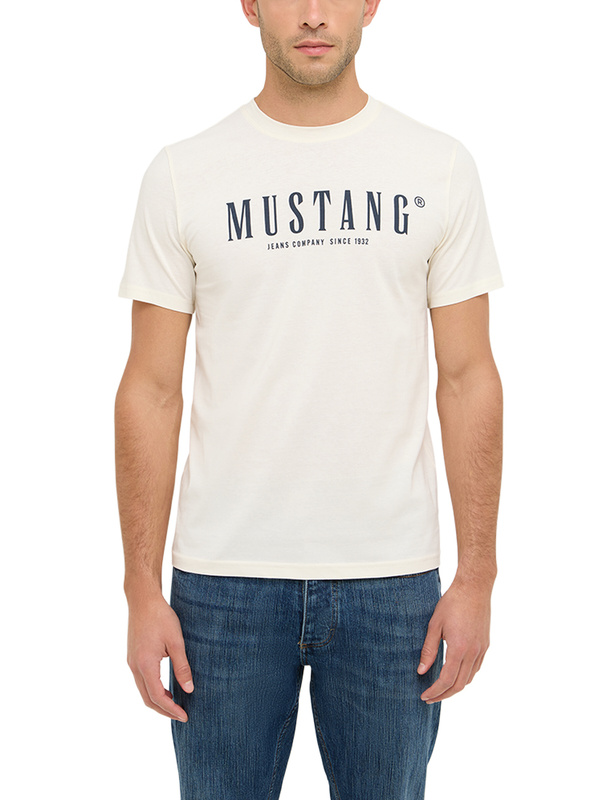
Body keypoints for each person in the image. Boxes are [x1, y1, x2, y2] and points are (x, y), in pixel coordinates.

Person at [114, 1, 504, 798]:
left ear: (371, 3)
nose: (315, 15)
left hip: (391, 580)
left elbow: (467, 377)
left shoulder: (437, 167)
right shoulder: (184, 174)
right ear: (250, 4)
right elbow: (150, 389)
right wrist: (139, 589)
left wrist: (477, 577)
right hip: (221, 582)